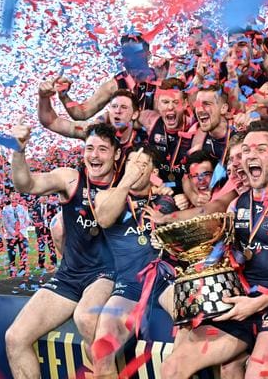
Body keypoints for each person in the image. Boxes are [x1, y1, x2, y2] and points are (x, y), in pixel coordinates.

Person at [161, 121, 268, 379]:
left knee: (257, 375)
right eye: (246, 150)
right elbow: (223, 257)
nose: (251, 155)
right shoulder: (235, 206)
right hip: (240, 300)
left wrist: (259, 302)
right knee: (173, 367)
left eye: (261, 149)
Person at [4, 122, 117, 379]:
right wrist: (18, 151)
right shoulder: (71, 178)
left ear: (116, 154)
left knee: (86, 319)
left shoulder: (124, 184)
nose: (94, 155)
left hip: (105, 275)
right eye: (89, 148)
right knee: (15, 338)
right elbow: (26, 185)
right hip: (69, 277)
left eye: (102, 149)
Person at [87, 145, 178, 378]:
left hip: (163, 280)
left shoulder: (166, 200)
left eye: (142, 164)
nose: (135, 169)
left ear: (153, 171)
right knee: (101, 352)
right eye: (131, 163)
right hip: (128, 286)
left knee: (194, 326)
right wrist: (126, 182)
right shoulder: (107, 196)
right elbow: (104, 219)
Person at [1, 192, 31, 278]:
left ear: (19, 199)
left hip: (22, 234)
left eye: (17, 198)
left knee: (24, 253)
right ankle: (12, 271)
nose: (15, 200)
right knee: (11, 254)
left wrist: (20, 231)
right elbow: (6, 224)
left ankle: (23, 270)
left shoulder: (23, 208)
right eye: (13, 198)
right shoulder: (5, 209)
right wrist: (14, 232)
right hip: (10, 235)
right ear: (10, 199)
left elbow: (27, 221)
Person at [30, 196, 58, 270]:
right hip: (40, 230)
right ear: (40, 199)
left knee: (51, 247)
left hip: (49, 230)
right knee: (41, 247)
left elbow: (56, 217)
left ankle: (54, 262)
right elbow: (33, 217)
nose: (45, 198)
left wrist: (51, 225)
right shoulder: (36, 207)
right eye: (43, 197)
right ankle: (41, 264)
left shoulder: (52, 206)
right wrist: (38, 223)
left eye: (46, 197)